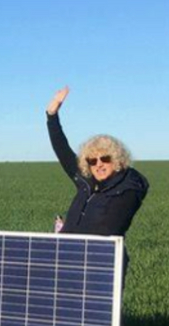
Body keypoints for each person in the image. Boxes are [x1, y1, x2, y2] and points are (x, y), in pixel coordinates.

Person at [46, 86, 149, 273]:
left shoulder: (127, 188)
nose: (99, 164)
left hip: (99, 266)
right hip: (67, 260)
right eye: (92, 161)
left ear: (117, 160)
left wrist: (69, 236)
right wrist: (51, 115)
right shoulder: (86, 183)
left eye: (105, 159)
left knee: (95, 303)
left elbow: (109, 228)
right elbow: (63, 150)